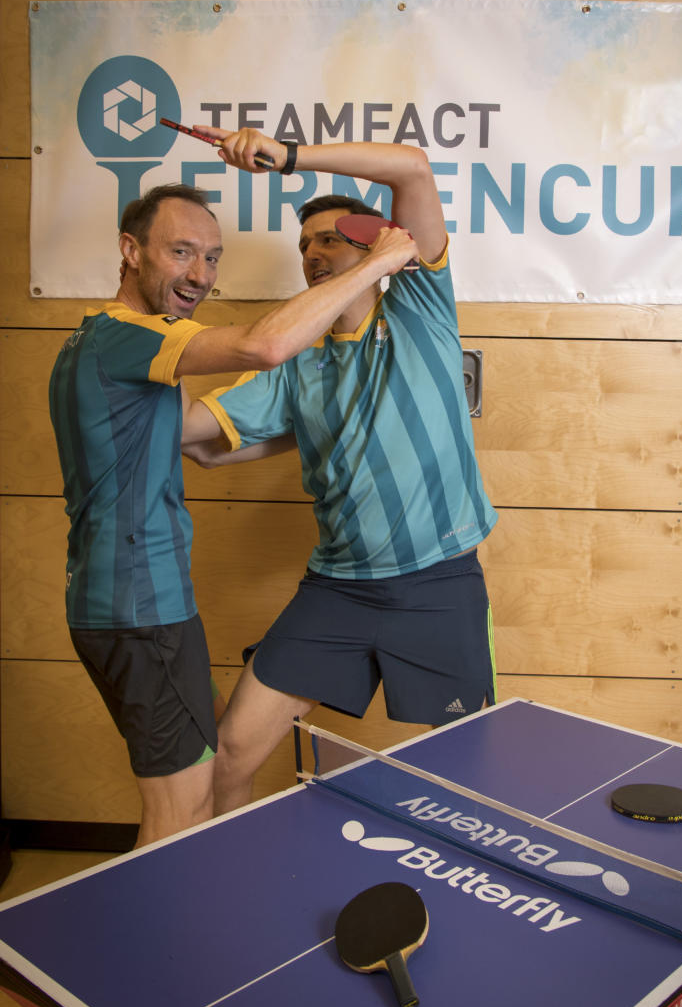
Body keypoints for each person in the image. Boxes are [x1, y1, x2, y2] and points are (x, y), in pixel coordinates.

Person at [48, 179, 417, 852]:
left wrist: (323, 425)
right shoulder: (128, 336)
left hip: (123, 606)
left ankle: (205, 905)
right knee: (180, 812)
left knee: (212, 763)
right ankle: (160, 926)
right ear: (131, 251)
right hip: (142, 609)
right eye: (181, 252)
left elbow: (196, 443)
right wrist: (380, 261)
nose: (200, 274)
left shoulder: (92, 343)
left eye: (212, 257)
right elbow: (263, 347)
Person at [182, 128, 498, 816]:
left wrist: (288, 157)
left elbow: (411, 168)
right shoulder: (295, 360)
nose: (313, 253)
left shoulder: (417, 308)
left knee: (465, 780)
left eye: (330, 238)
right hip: (338, 590)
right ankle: (232, 877)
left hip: (438, 583)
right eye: (305, 245)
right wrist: (144, 349)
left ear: (373, 245)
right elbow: (195, 439)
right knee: (231, 753)